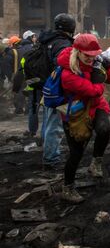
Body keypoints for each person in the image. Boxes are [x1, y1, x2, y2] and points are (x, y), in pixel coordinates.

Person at [56, 34, 110, 203]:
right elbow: (93, 91)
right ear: (78, 52)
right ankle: (67, 188)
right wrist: (99, 81)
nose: (91, 59)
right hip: (75, 113)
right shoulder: (68, 72)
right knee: (76, 153)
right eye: (87, 56)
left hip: (97, 106)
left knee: (104, 130)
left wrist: (108, 66)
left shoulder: (96, 60)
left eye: (94, 55)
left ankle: (96, 162)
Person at [39, 14, 76, 169]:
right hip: (57, 89)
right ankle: (51, 158)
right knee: (55, 125)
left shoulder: (47, 40)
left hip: (47, 87)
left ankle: (47, 151)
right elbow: (64, 66)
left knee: (48, 122)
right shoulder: (62, 43)